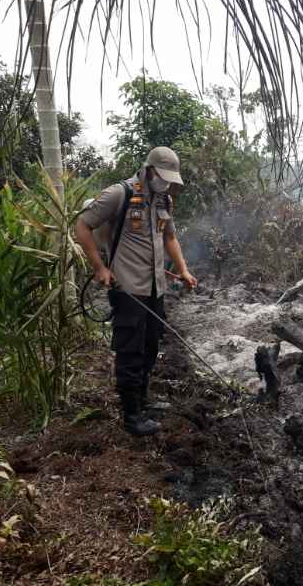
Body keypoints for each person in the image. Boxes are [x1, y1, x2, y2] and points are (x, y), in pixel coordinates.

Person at [75, 146, 197, 436]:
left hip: (155, 287)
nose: (165, 182)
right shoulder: (120, 194)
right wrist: (99, 268)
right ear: (148, 169)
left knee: (151, 345)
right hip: (127, 287)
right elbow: (82, 226)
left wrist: (183, 269)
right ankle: (132, 416)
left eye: (169, 178)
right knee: (130, 351)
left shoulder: (163, 199)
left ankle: (142, 401)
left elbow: (170, 237)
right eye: (162, 176)